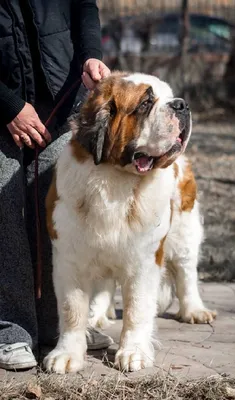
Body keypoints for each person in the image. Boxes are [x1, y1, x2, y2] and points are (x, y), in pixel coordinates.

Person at [0, 0, 113, 371]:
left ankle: (62, 327)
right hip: (4, 106)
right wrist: (10, 106)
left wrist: (90, 56)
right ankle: (12, 331)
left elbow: (84, 7)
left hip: (60, 105)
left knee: (60, 217)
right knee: (6, 217)